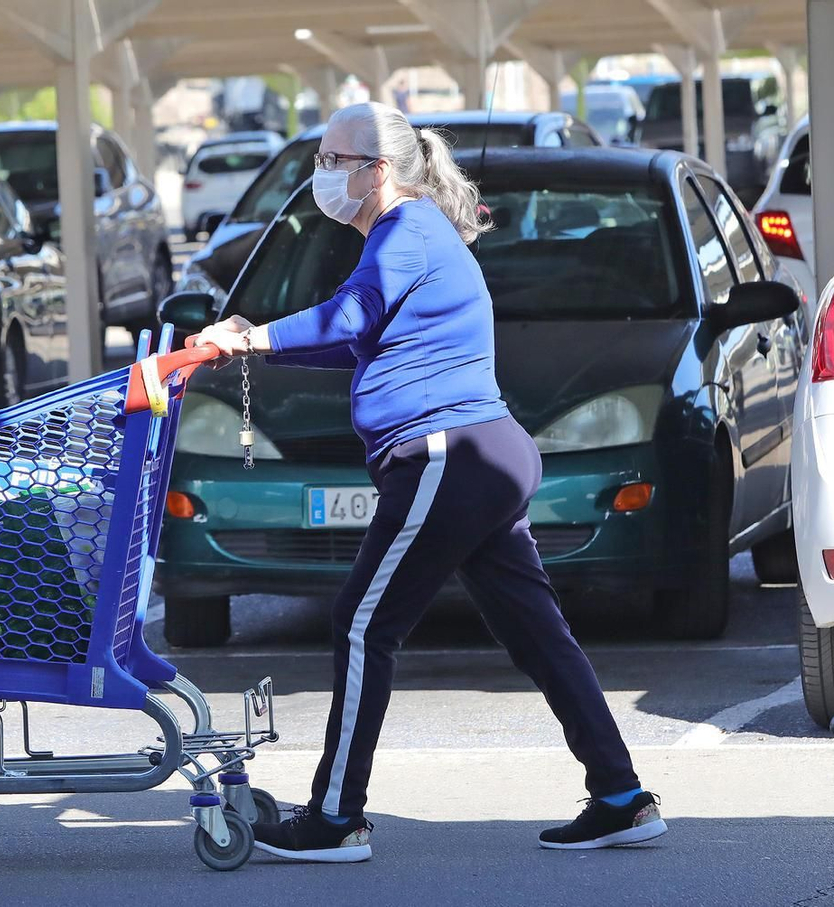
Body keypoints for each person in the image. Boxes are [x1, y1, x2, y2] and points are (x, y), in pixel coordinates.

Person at [193, 102, 666, 863]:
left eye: (333, 161)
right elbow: (359, 337)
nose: (321, 174)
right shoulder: (411, 235)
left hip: (449, 457)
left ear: (378, 171)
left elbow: (352, 316)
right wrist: (256, 346)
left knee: (361, 625)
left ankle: (335, 817)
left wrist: (254, 337)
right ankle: (620, 797)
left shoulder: (406, 230)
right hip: (483, 457)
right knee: (537, 633)